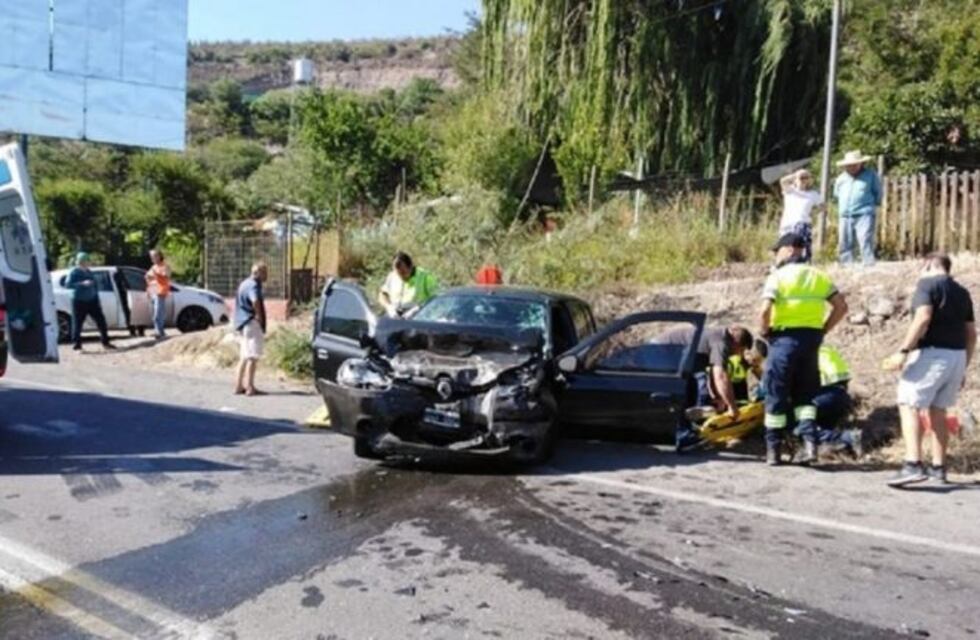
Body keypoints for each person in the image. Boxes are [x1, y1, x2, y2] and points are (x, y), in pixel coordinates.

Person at [884, 253, 975, 487]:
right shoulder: (962, 292)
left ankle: (913, 464)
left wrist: (904, 350)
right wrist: (964, 365)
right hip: (957, 356)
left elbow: (923, 317)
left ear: (928, 266)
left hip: (932, 354)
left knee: (908, 404)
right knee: (939, 411)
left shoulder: (927, 285)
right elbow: (972, 333)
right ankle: (939, 467)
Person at [759, 233, 848, 466]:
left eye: (777, 250)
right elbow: (841, 306)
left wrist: (764, 331)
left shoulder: (777, 277)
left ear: (789, 250)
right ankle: (810, 447)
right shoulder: (819, 276)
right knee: (805, 397)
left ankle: (773, 451)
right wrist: (823, 330)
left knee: (776, 394)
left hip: (783, 340)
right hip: (811, 341)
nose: (776, 255)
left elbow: (764, 310)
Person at [651, 324, 754, 452]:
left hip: (669, 355)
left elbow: (712, 371)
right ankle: (682, 435)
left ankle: (686, 430)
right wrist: (732, 407)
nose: (737, 354)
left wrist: (719, 398)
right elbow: (720, 376)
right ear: (737, 343)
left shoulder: (719, 336)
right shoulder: (721, 342)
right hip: (659, 352)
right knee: (681, 392)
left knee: (692, 387)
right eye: (740, 350)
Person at [807, 345, 862, 458]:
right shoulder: (824, 348)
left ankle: (847, 437)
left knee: (794, 417)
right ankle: (843, 448)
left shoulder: (801, 352)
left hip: (823, 397)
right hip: (841, 396)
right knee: (822, 429)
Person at [834, 150, 881, 266]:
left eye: (854, 164)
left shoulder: (870, 175)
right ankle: (846, 264)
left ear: (861, 164)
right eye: (848, 165)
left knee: (865, 238)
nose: (851, 167)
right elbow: (836, 194)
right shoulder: (840, 179)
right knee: (845, 241)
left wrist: (873, 205)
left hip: (864, 212)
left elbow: (878, 192)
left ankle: (868, 263)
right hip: (845, 214)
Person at [66, 252, 114, 351]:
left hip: (92, 300)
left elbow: (95, 285)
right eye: (86, 261)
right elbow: (68, 284)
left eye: (88, 261)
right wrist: (82, 284)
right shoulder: (74, 272)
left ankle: (106, 342)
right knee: (78, 323)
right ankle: (77, 344)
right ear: (80, 262)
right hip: (79, 301)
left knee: (101, 321)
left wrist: (97, 298)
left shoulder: (89, 272)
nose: (88, 263)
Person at [234, 262, 268, 396]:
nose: (266, 276)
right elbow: (255, 300)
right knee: (252, 356)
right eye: (265, 272)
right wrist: (259, 317)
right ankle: (250, 387)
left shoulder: (244, 283)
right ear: (259, 273)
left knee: (244, 356)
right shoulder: (254, 286)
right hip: (251, 322)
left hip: (242, 323)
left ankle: (238, 385)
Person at [778, 169, 823, 262]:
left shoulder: (813, 194)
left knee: (801, 249)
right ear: (795, 180)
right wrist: (796, 175)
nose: (804, 180)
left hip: (803, 224)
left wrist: (813, 214)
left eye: (806, 178)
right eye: (802, 178)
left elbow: (823, 207)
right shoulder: (790, 190)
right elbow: (782, 181)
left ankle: (802, 263)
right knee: (785, 248)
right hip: (787, 224)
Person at [378, 252, 439, 318]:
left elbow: (436, 299)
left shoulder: (425, 277)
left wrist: (419, 308)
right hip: (395, 315)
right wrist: (389, 307)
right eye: (398, 273)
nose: (401, 277)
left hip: (418, 316)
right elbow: (383, 295)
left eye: (403, 272)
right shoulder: (392, 276)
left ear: (411, 266)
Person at [145, 249, 172, 339]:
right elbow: (147, 276)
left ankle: (159, 332)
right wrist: (149, 277)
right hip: (153, 292)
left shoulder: (164, 266)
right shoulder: (153, 267)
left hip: (160, 292)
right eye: (151, 257)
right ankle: (159, 332)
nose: (152, 258)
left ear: (159, 256)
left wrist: (156, 275)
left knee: (158, 313)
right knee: (156, 313)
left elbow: (166, 275)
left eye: (154, 256)